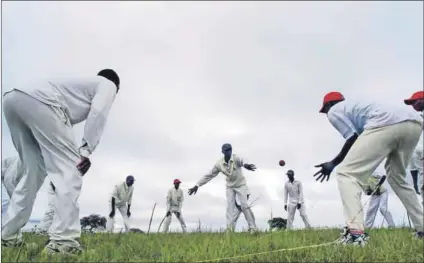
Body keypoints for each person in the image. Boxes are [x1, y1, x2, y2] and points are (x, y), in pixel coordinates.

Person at [2, 69, 120, 254]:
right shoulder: (108, 84)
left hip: (12, 99)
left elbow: (56, 130)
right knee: (70, 170)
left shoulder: (75, 89)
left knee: (32, 172)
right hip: (42, 102)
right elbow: (98, 113)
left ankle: (7, 238)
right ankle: (63, 243)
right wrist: (85, 150)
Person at [314, 91, 424, 245]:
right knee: (397, 179)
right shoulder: (357, 106)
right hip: (414, 124)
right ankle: (422, 229)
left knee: (347, 174)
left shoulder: (334, 111)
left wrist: (333, 163)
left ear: (329, 105)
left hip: (385, 122)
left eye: (325, 110)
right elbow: (365, 142)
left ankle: (355, 235)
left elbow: (352, 138)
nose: (326, 114)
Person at [188, 143, 258, 233]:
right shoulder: (219, 164)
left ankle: (252, 228)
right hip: (230, 187)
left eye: (230, 150)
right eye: (226, 150)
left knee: (244, 205)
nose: (228, 152)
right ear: (222, 151)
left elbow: (242, 161)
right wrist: (197, 185)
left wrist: (246, 165)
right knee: (229, 207)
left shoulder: (236, 158)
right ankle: (229, 230)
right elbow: (209, 175)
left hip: (241, 185)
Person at [1, 156, 55, 236]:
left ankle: (10, 232)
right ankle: (8, 234)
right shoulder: (16, 168)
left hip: (24, 170)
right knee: (8, 203)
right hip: (11, 172)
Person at [404, 91, 424, 206]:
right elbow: (413, 163)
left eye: (414, 102)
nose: (413, 105)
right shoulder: (417, 118)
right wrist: (415, 182)